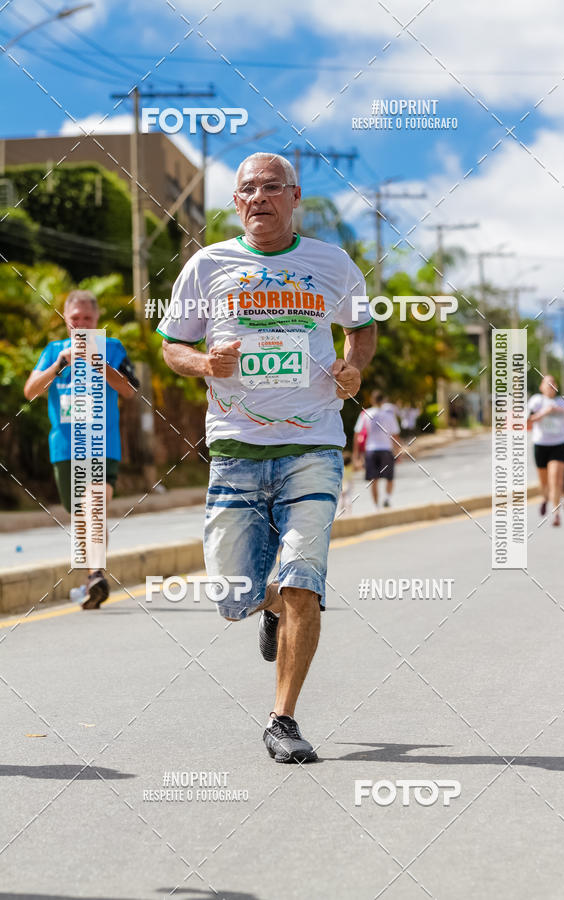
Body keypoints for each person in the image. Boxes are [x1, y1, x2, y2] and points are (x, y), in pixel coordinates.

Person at [157, 152, 376, 763]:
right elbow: (174, 345)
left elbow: (361, 325)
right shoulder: (208, 265)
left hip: (314, 443)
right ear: (237, 202)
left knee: (304, 579)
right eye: (247, 188)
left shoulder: (331, 264)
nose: (259, 197)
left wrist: (353, 365)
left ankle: (283, 719)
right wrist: (204, 363)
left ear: (294, 194)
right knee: (235, 596)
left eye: (271, 187)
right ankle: (268, 608)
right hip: (235, 446)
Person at [24, 290, 138, 607]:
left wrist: (98, 363)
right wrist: (61, 364)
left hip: (103, 445)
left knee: (94, 503)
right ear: (66, 319)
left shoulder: (112, 348)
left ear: (97, 319)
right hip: (65, 448)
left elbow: (130, 390)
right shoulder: (53, 351)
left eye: (87, 318)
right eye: (76, 318)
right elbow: (31, 391)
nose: (81, 324)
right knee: (80, 517)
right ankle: (92, 580)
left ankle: (96, 572)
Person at [527, 375, 564, 527]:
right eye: (547, 383)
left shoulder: (563, 402)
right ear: (542, 387)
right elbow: (528, 419)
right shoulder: (536, 400)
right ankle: (545, 498)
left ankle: (556, 513)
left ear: (557, 387)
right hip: (541, 445)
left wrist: (561, 415)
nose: (550, 385)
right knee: (544, 481)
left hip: (558, 444)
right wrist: (543, 413)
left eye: (553, 383)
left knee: (556, 479)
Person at [352, 390, 401, 508]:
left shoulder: (365, 414)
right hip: (386, 449)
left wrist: (356, 454)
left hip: (371, 450)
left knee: (374, 480)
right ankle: (387, 498)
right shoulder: (389, 415)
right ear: (383, 400)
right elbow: (395, 435)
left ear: (372, 400)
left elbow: (358, 435)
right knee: (390, 477)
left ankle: (376, 506)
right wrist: (398, 451)